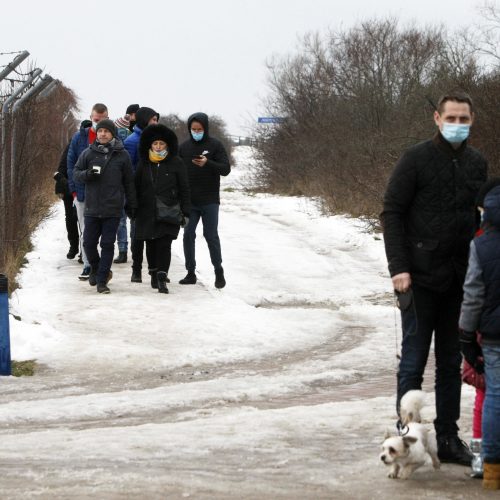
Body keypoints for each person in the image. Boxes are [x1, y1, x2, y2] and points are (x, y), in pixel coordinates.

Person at [381, 90, 488, 465]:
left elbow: (481, 218)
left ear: (472, 120)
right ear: (437, 120)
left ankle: (447, 436)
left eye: (464, 119)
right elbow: (392, 212)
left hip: (459, 278)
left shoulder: (477, 163)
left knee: (449, 361)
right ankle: (406, 435)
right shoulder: (416, 159)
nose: (458, 125)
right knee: (412, 359)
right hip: (418, 278)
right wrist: (399, 267)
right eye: (451, 118)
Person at [459, 184, 500, 490]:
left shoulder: (482, 245)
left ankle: (489, 468)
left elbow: (473, 295)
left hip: (492, 335)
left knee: (493, 398)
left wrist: (466, 336)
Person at [73, 119, 137, 294]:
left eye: (106, 132)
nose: (102, 134)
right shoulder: (88, 153)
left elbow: (129, 182)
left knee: (108, 244)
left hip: (113, 208)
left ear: (112, 134)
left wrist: (131, 204)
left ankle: (102, 280)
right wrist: (88, 174)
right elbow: (76, 173)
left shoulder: (122, 155)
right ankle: (96, 268)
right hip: (92, 207)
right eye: (100, 131)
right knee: (88, 244)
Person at [134, 124, 190, 293]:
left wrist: (186, 211)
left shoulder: (176, 162)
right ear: (150, 145)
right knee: (151, 243)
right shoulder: (144, 163)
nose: (158, 147)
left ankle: (162, 276)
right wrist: (132, 207)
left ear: (167, 145)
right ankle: (153, 272)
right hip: (147, 211)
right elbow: (135, 186)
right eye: (155, 144)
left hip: (169, 210)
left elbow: (184, 188)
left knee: (165, 244)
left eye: (162, 144)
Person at [178, 112, 230, 289]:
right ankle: (190, 272)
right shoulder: (183, 147)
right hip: (190, 201)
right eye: (193, 129)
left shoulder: (215, 145)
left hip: (209, 199)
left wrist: (208, 163)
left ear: (205, 128)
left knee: (210, 235)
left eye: (199, 129)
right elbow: (177, 171)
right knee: (188, 234)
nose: (196, 132)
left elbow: (225, 169)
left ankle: (218, 270)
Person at [67, 103, 109, 280]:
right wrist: (74, 191)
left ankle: (103, 266)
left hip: (105, 194)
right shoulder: (79, 138)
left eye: (102, 120)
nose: (99, 124)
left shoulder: (113, 139)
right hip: (83, 193)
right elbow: (70, 164)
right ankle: (88, 265)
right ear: (91, 118)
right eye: (96, 120)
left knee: (106, 233)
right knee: (86, 230)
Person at [124, 106, 159, 282]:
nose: (155, 123)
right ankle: (136, 269)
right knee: (137, 234)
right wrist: (130, 196)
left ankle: (154, 271)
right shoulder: (131, 142)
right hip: (137, 194)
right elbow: (128, 170)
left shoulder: (158, 141)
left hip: (154, 195)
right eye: (152, 120)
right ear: (145, 120)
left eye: (156, 120)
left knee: (153, 235)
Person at [113, 112, 133, 264]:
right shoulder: (131, 140)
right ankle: (125, 250)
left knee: (120, 220)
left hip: (121, 187)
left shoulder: (119, 147)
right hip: (125, 186)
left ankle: (123, 250)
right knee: (125, 221)